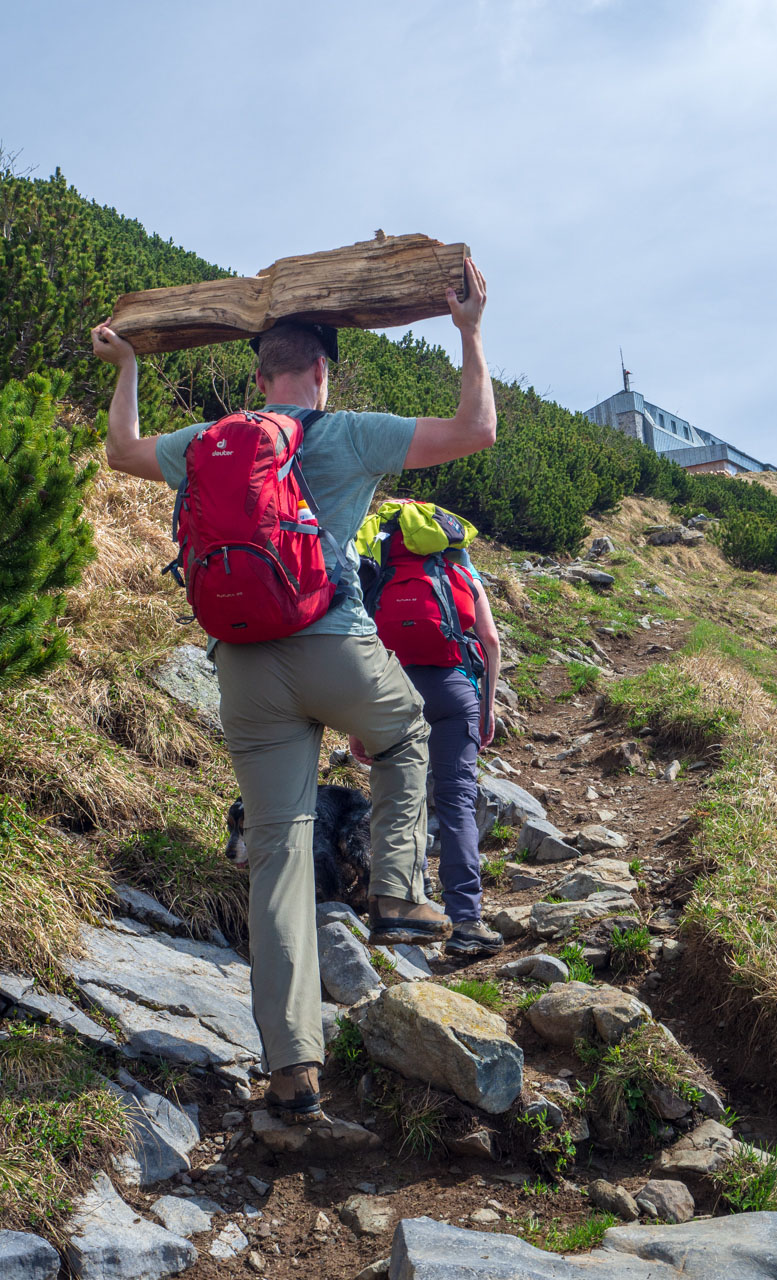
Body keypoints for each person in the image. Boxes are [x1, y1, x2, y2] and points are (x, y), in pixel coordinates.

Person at [92, 258, 497, 1122]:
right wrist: (466, 329)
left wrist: (127, 368)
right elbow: (474, 430)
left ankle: (290, 1073)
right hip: (335, 646)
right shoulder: (345, 432)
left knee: (276, 859)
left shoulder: (207, 442)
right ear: (321, 368)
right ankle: (395, 893)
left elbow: (121, 451)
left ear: (258, 373)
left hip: (241, 667)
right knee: (405, 736)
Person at [353, 513, 504, 956]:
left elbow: (361, 647)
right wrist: (487, 707)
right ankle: (466, 920)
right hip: (455, 693)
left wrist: (360, 722)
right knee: (456, 802)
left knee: (399, 802)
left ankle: (404, 906)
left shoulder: (376, 576)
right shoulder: (460, 573)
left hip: (394, 694)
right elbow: (490, 641)